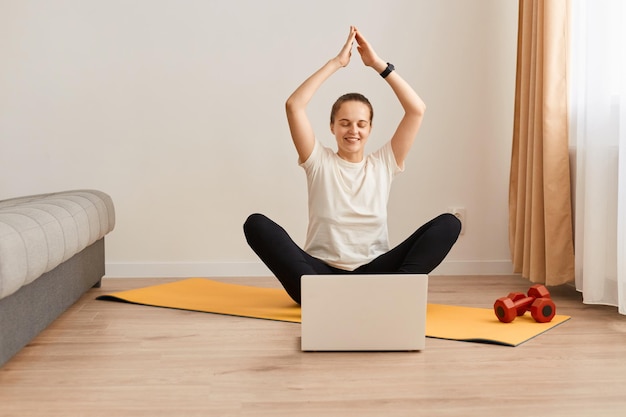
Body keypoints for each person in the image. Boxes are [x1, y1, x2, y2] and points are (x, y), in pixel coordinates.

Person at [244, 26, 461, 304]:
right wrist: (337, 63)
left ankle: (395, 289)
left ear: (370, 128)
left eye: (361, 124)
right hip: (318, 274)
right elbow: (294, 105)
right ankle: (329, 296)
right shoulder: (317, 161)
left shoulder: (384, 162)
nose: (353, 131)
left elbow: (416, 109)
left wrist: (378, 65)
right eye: (344, 123)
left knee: (449, 224)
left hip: (374, 272)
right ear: (332, 126)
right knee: (257, 225)